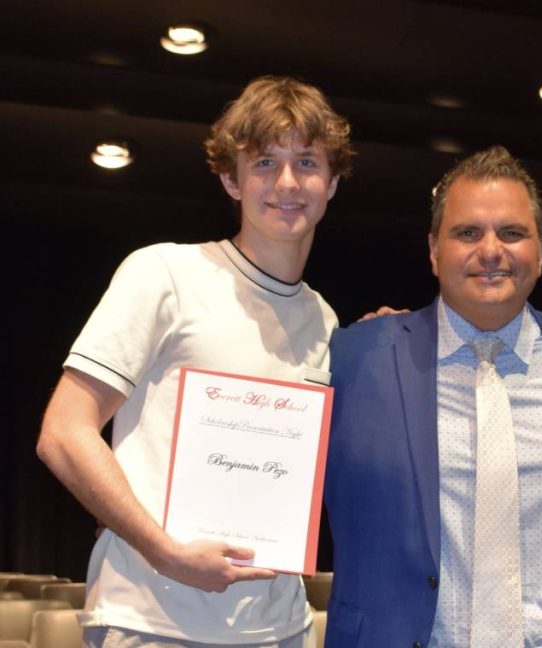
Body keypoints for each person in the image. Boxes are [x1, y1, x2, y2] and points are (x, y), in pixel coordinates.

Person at [36, 75, 353, 647]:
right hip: (150, 621)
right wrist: (166, 552)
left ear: (332, 182)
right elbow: (63, 432)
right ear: (231, 180)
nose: (287, 181)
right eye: (264, 163)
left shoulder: (326, 321)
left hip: (281, 631)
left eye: (307, 161)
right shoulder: (164, 274)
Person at [324, 146, 542, 647]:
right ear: (434, 250)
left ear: (540, 252)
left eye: (513, 232)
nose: (492, 250)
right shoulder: (357, 359)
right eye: (468, 233)